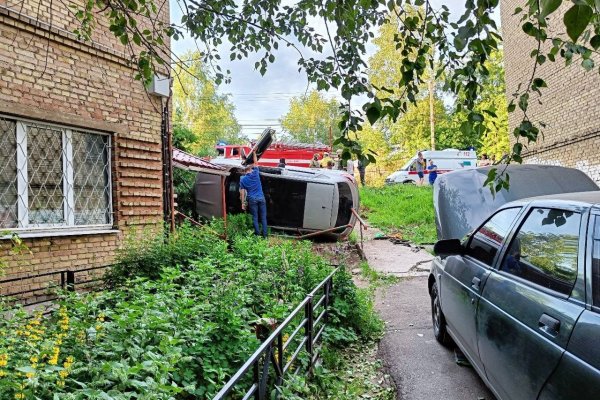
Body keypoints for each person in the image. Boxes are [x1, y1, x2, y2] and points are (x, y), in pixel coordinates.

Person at [239, 152, 268, 238]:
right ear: (250, 170)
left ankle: (258, 235)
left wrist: (243, 203)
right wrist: (254, 153)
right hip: (261, 198)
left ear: (245, 171)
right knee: (263, 218)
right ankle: (265, 236)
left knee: (255, 218)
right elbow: (255, 163)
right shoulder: (255, 174)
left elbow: (242, 193)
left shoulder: (242, 180)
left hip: (252, 199)